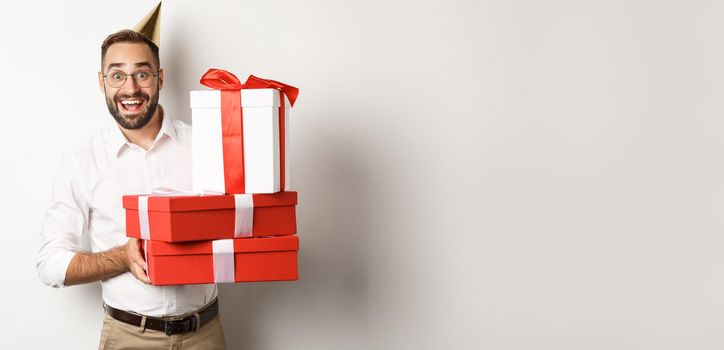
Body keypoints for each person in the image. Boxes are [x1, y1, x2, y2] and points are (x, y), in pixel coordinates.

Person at [36, 29, 227, 349]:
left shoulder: (207, 147)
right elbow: (50, 264)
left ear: (160, 79)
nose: (131, 88)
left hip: (205, 334)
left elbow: (241, 224)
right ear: (101, 82)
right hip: (128, 337)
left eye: (142, 73)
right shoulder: (82, 163)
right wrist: (122, 258)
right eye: (117, 75)